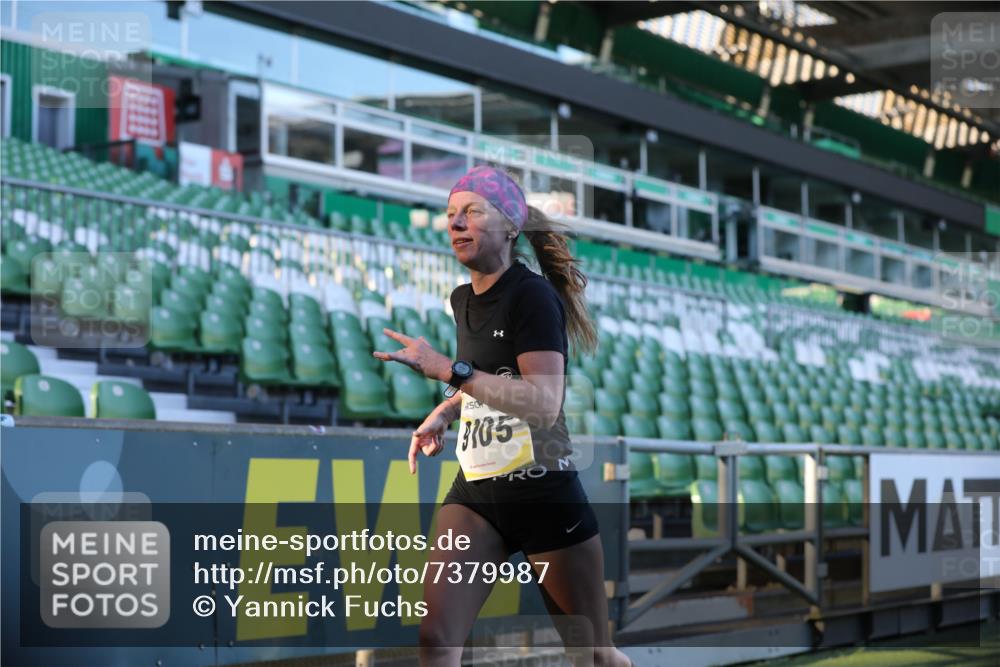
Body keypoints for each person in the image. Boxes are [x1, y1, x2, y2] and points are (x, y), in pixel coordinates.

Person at [373, 165, 632, 667]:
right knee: (437, 639)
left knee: (594, 657)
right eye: (451, 213)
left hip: (543, 491)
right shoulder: (461, 299)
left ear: (511, 226)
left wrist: (447, 370)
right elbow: (491, 377)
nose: (456, 222)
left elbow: (543, 403)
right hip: (477, 493)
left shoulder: (532, 295)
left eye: (472, 211)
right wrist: (448, 410)